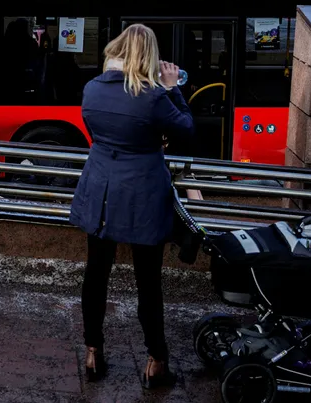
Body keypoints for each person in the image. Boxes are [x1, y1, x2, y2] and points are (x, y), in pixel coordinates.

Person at [69, 24, 194, 389]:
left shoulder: (92, 88)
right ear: (150, 56)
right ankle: (156, 361)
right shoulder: (153, 97)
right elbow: (186, 129)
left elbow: (96, 131)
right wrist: (172, 88)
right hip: (143, 195)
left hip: (100, 191)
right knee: (147, 282)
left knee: (96, 273)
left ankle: (93, 352)